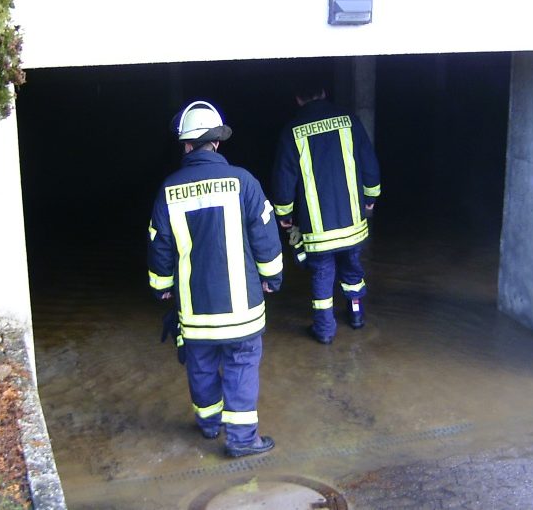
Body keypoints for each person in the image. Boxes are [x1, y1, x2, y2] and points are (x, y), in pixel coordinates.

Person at [148, 100, 283, 458]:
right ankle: (241, 440)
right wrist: (273, 277)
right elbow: (265, 234)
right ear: (217, 143)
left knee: (201, 365)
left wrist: (161, 286)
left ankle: (209, 425)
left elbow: (159, 244)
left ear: (186, 145)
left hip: (195, 310)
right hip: (242, 308)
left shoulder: (169, 189)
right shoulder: (244, 182)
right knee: (241, 366)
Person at [272, 82, 381, 344]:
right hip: (352, 221)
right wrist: (371, 197)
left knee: (322, 275)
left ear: (298, 99)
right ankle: (356, 315)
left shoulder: (292, 131)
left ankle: (324, 331)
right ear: (323, 92)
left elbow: (283, 180)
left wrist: (284, 214)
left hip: (318, 229)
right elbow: (369, 161)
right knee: (353, 268)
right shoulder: (349, 121)